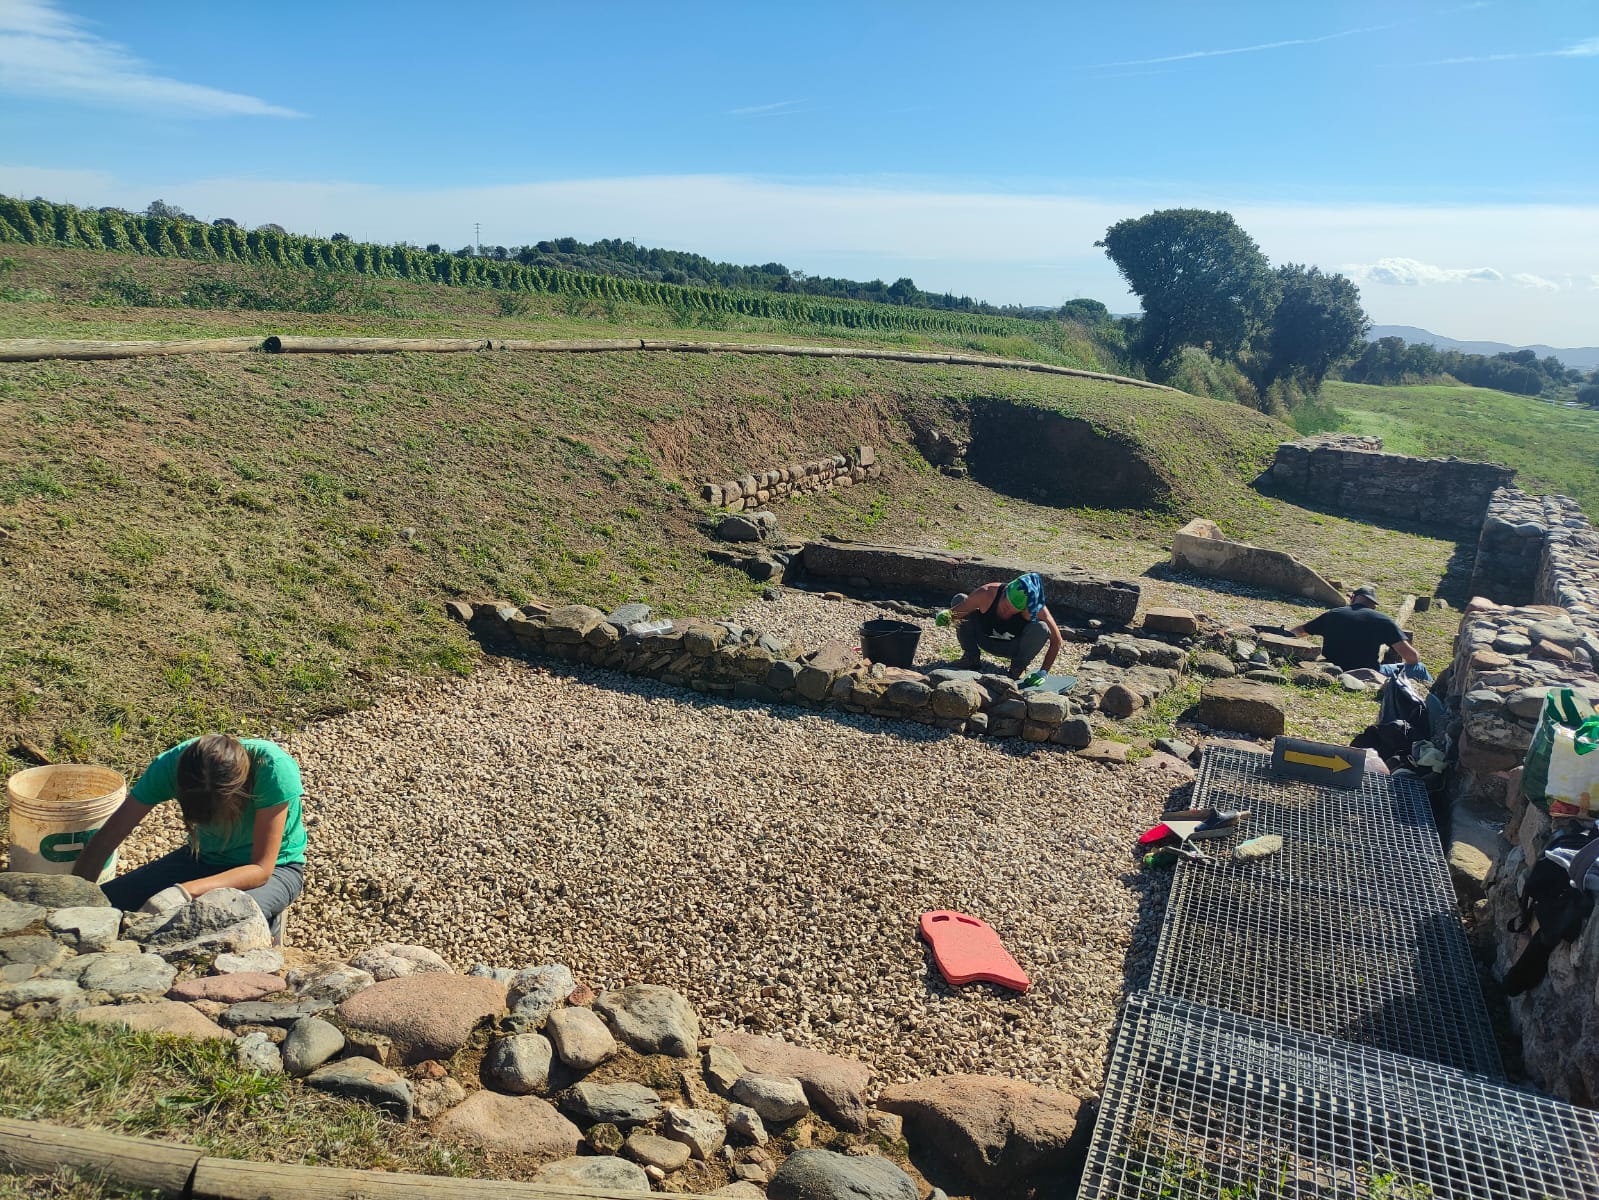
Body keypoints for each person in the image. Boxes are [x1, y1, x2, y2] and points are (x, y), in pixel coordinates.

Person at [72, 734, 306, 936]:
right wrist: (76, 899)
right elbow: (106, 839)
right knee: (109, 905)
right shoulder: (171, 766)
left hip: (278, 869)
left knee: (230, 922)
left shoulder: (272, 768)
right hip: (200, 859)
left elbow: (261, 869)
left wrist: (183, 892)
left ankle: (269, 920)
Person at [936, 572, 1064, 682]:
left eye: (1014, 610)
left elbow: (1057, 641)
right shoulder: (987, 593)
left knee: (1041, 627)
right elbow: (958, 611)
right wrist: (946, 615)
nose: (1007, 611)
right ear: (1005, 592)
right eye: (1006, 605)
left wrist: (1043, 672)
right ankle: (971, 658)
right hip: (984, 637)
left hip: (1012, 647)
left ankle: (1017, 668)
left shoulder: (1036, 609)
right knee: (960, 599)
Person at [1291, 586, 1431, 681]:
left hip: (1333, 669)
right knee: (1419, 668)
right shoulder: (1382, 620)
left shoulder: (1333, 614)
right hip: (1368, 672)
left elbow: (1299, 631)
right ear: (1373, 605)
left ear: (1353, 598)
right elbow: (1412, 658)